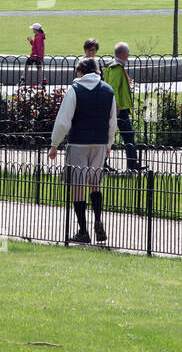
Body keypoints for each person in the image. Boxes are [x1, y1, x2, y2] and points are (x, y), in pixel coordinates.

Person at [48, 57, 118, 245]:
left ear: (81, 72)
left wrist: (55, 143)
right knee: (95, 184)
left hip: (78, 143)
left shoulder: (75, 90)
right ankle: (97, 219)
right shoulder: (108, 91)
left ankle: (83, 230)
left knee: (78, 186)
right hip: (100, 144)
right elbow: (112, 122)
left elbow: (64, 120)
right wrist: (109, 144)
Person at [102, 42, 143, 172]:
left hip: (115, 107)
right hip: (120, 109)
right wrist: (117, 106)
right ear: (124, 54)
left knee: (108, 136)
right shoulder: (117, 68)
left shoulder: (111, 66)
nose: (129, 55)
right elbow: (113, 88)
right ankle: (132, 165)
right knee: (128, 136)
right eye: (128, 53)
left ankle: (103, 164)